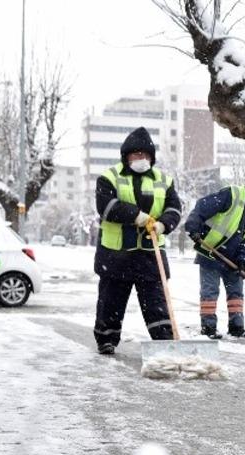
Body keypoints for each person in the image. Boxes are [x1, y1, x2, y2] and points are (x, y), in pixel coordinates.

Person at [92, 127, 182, 354]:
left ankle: (165, 342)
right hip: (116, 255)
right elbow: (106, 206)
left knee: (157, 303)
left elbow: (174, 208)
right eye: (136, 154)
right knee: (111, 302)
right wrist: (137, 216)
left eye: (145, 155)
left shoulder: (164, 180)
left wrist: (163, 224)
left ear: (151, 157)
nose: (141, 158)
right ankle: (106, 339)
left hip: (150, 255)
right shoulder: (110, 177)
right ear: (126, 156)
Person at [184, 171, 245, 338]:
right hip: (210, 253)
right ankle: (208, 328)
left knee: (236, 294)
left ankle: (236, 327)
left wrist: (242, 260)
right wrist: (193, 227)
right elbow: (202, 207)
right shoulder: (231, 195)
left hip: (232, 260)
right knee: (210, 293)